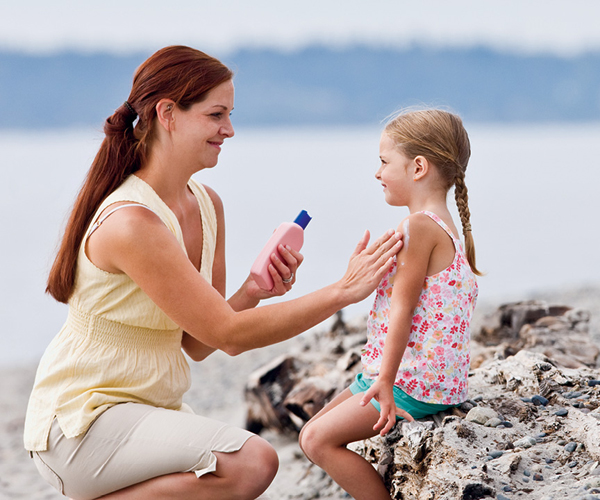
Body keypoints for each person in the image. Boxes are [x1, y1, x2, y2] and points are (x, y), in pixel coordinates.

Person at [23, 45, 404, 500]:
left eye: (230, 114)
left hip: (145, 413)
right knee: (253, 462)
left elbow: (198, 343)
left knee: (234, 469)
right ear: (168, 113)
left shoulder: (207, 206)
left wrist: (253, 290)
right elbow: (230, 335)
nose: (229, 129)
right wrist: (343, 291)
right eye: (216, 114)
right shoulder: (132, 223)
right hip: (81, 423)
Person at [298, 108, 482, 500]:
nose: (377, 172)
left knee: (316, 441)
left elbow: (403, 309)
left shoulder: (419, 227)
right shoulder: (440, 225)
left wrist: (384, 379)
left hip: (410, 381)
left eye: (384, 162)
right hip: (406, 375)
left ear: (418, 167)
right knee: (310, 432)